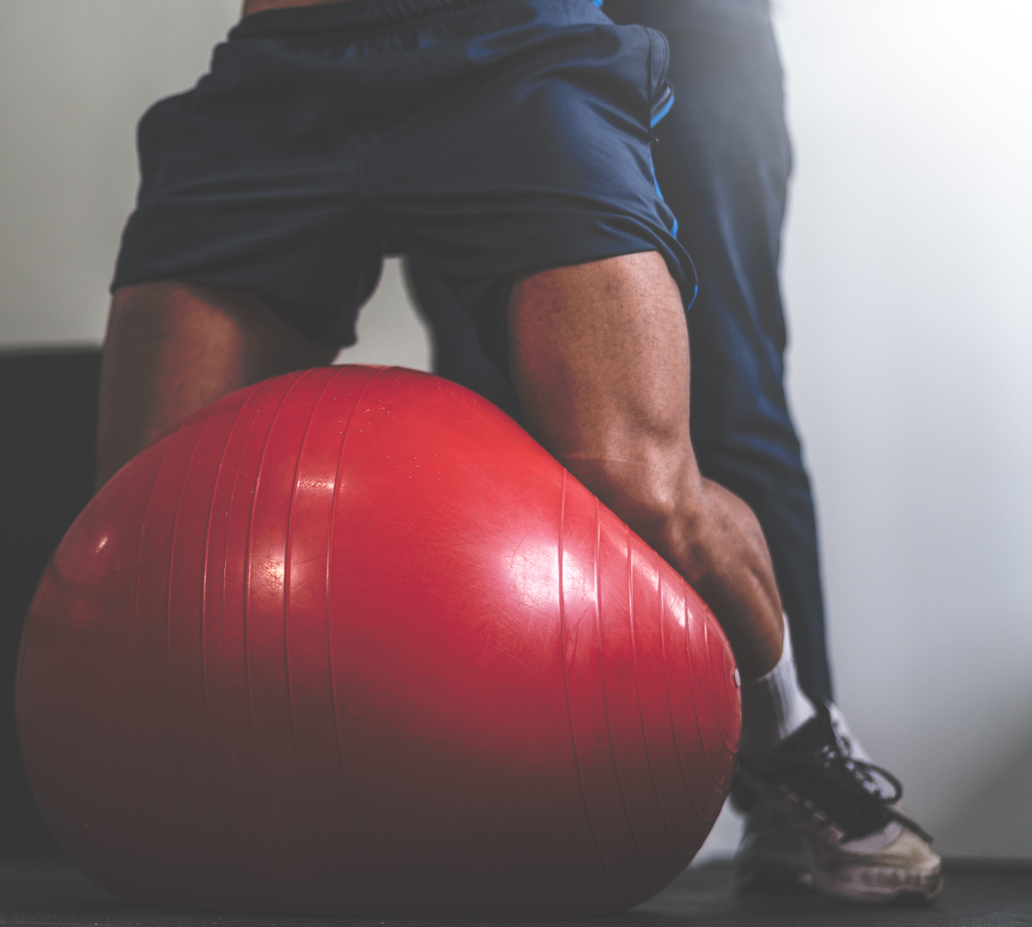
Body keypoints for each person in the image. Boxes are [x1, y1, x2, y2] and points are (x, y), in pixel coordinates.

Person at [94, 0, 940, 904]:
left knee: (653, 463)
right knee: (148, 523)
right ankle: (479, 782)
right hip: (287, 59)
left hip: (512, 41)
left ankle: (795, 745)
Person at [400, 0, 939, 901]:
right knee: (491, 415)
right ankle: (503, 781)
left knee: (730, 389)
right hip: (479, 26)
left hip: (690, 17)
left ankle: (795, 774)